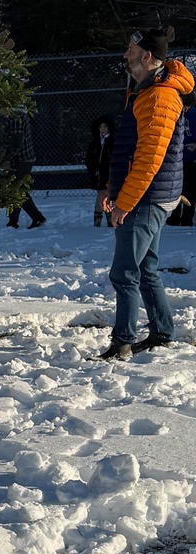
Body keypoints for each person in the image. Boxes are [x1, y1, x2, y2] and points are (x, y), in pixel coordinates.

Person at [100, 27, 194, 359]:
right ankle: (162, 332)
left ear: (147, 56)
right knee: (145, 268)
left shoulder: (159, 96)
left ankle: (123, 341)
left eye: (130, 50)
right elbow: (130, 150)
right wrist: (115, 188)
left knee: (124, 271)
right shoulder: (145, 90)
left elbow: (149, 159)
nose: (125, 54)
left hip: (147, 197)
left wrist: (124, 202)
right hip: (148, 194)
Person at [3, 109, 46, 229]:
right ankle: (35, 218)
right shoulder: (18, 115)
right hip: (23, 158)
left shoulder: (16, 117)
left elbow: (17, 142)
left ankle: (15, 221)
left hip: (21, 158)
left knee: (15, 189)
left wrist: (6, 157)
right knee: (18, 189)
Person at [167, 102, 196, 226]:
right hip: (177, 159)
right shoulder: (175, 114)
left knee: (190, 191)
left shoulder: (193, 114)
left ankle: (187, 219)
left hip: (191, 160)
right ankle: (174, 217)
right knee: (176, 190)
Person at [85, 116, 115, 226]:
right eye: (101, 127)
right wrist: (93, 170)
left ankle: (103, 220)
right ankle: (106, 220)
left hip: (108, 174)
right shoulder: (95, 143)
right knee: (102, 195)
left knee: (104, 196)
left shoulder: (112, 141)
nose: (103, 129)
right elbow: (89, 158)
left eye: (105, 126)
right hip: (98, 175)